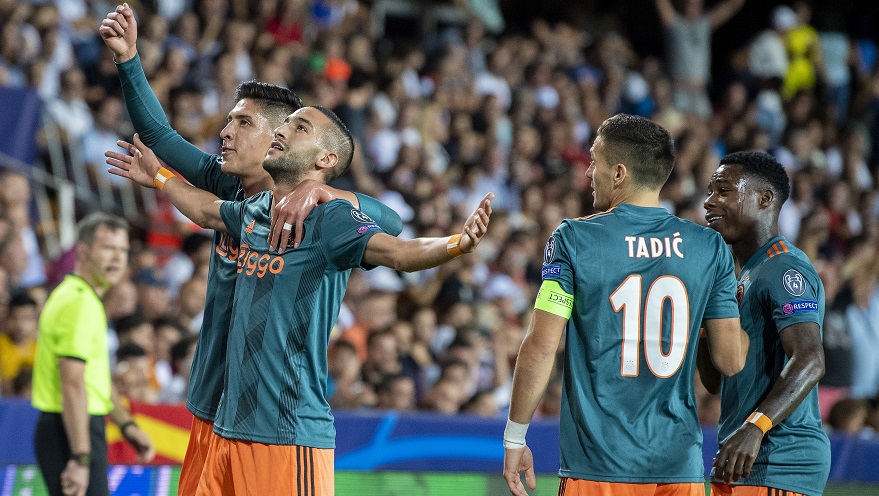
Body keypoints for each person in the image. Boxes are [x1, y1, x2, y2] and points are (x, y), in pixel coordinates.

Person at [107, 105, 492, 495]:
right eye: (286, 124)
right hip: (227, 430)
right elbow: (206, 212)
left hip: (288, 435)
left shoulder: (332, 219)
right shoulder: (258, 208)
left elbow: (400, 253)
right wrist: (158, 176)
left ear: (326, 159)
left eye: (300, 127)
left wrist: (457, 243)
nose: (282, 131)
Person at [99, 5, 403, 494]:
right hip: (211, 410)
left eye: (243, 123)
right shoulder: (228, 186)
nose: (226, 132)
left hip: (272, 424)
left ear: (277, 138)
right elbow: (158, 137)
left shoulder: (320, 213)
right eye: (229, 121)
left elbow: (392, 221)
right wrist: (129, 59)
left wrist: (325, 190)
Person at [502, 114, 749, 496]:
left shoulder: (574, 239)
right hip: (678, 468)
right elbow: (730, 361)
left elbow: (542, 345)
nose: (588, 173)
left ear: (619, 173)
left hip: (598, 465)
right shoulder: (709, 247)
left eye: (594, 162)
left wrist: (515, 437)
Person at [700, 150, 830, 496]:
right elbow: (716, 380)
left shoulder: (783, 267)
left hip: (778, 460)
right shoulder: (743, 276)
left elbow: (810, 358)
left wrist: (755, 426)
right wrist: (703, 320)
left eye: (723, 191)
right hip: (740, 460)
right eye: (709, 192)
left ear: (765, 199)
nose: (709, 202)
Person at [31, 213, 155, 496]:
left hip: (75, 428)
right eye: (108, 248)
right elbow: (72, 383)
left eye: (123, 250)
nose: (117, 258)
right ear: (84, 251)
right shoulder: (78, 303)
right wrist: (80, 458)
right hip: (70, 431)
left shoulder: (83, 298)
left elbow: (92, 379)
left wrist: (126, 425)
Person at [654, 0, 745, 117]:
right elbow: (662, 5)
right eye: (690, 3)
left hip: (701, 95)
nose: (693, 7)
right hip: (679, 93)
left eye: (697, 3)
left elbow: (732, 6)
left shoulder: (705, 24)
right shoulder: (674, 23)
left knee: (705, 126)